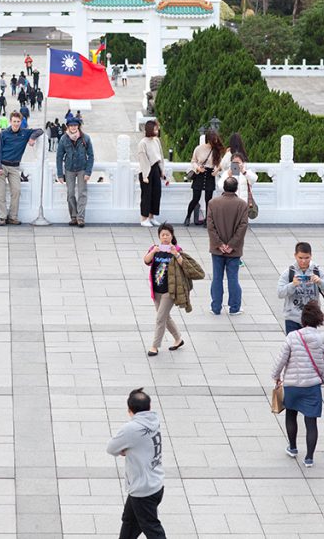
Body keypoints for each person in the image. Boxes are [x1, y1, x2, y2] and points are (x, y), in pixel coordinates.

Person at [271, 300, 324, 468]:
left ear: (303, 320)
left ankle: (293, 447)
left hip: (292, 384)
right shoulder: (322, 338)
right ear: (319, 320)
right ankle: (309, 457)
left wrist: (276, 376)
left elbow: (281, 359)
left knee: (291, 415)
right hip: (312, 385)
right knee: (311, 422)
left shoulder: (292, 336)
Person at [106, 388, 166, 539]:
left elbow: (111, 448)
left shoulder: (131, 428)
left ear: (129, 410)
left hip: (143, 490)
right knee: (129, 521)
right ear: (149, 406)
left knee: (152, 529)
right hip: (154, 483)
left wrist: (124, 450)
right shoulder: (154, 420)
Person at [142, 224, 204, 356]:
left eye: (167, 235)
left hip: (169, 291)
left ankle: (154, 346)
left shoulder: (177, 250)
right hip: (156, 290)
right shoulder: (155, 249)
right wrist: (153, 252)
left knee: (160, 318)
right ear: (159, 236)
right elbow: (146, 261)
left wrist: (176, 254)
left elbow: (185, 266)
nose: (165, 237)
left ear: (172, 236)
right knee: (165, 317)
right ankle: (178, 339)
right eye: (162, 235)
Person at [207, 177, 249, 315]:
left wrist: (219, 244)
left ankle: (216, 307)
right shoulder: (242, 204)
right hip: (234, 250)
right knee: (233, 278)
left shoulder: (213, 203)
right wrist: (231, 245)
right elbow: (243, 226)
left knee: (217, 278)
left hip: (217, 249)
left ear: (223, 187)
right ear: (236, 188)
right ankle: (234, 307)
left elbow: (210, 226)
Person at [0, 111, 43, 225]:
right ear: (10, 122)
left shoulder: (25, 132)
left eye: (18, 122)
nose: (16, 124)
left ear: (21, 122)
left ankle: (13, 217)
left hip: (15, 167)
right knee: (0, 193)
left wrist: (32, 138)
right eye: (14, 121)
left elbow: (40, 130)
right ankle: (2, 217)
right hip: (2, 166)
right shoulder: (3, 134)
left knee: (16, 191)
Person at [277, 242, 324, 334]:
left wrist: (320, 282)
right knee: (294, 347)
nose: (303, 261)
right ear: (295, 256)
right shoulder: (289, 273)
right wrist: (292, 284)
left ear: (311, 256)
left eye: (307, 258)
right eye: (300, 258)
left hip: (311, 318)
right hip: (292, 318)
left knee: (310, 347)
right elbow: (280, 293)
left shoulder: (317, 271)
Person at [56, 117, 94, 227]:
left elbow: (91, 155)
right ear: (68, 126)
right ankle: (73, 216)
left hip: (82, 168)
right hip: (69, 169)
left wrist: (88, 172)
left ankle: (80, 217)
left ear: (78, 126)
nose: (73, 127)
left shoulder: (85, 138)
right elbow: (59, 157)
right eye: (71, 125)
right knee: (70, 193)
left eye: (75, 125)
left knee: (82, 193)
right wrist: (60, 174)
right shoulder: (64, 139)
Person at [185, 130, 223, 227]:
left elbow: (220, 164)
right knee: (195, 198)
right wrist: (197, 168)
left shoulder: (216, 150)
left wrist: (217, 170)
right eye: (213, 140)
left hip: (210, 175)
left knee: (208, 200)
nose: (214, 142)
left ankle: (207, 220)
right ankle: (188, 217)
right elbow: (193, 161)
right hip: (199, 174)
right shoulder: (199, 149)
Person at [137, 120, 165, 227]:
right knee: (146, 195)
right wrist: (145, 175)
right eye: (155, 129)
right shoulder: (143, 143)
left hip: (156, 168)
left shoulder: (156, 141)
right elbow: (143, 159)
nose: (157, 131)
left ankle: (151, 217)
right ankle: (144, 218)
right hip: (146, 170)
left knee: (156, 193)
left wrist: (162, 170)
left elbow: (160, 156)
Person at [217, 133, 257, 204]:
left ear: (242, 162)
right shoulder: (228, 172)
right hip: (230, 203)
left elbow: (254, 179)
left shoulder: (245, 171)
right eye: (234, 162)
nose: (236, 164)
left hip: (243, 203)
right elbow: (220, 186)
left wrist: (244, 172)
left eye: (238, 162)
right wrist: (228, 175)